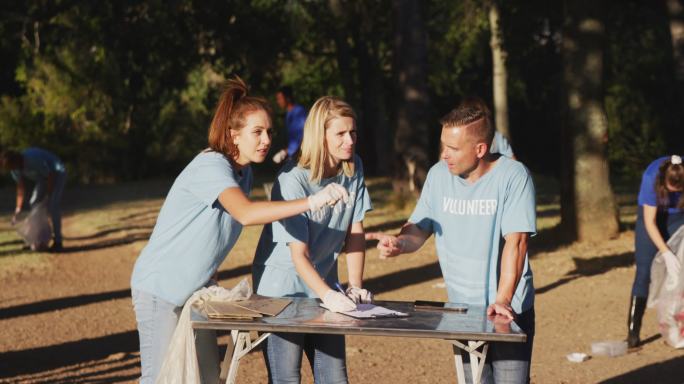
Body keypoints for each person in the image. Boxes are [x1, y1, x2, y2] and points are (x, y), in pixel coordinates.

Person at [129, 77, 349, 384]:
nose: (266, 140)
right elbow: (245, 213)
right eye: (256, 132)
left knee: (206, 377)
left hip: (195, 292)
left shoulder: (243, 173)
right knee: (161, 378)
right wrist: (311, 201)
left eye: (269, 132)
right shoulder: (212, 166)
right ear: (234, 135)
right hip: (160, 289)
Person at [367, 101, 536, 383]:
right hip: (461, 310)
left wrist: (503, 300)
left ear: (480, 149)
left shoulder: (514, 177)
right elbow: (419, 229)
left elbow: (516, 244)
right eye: (443, 145)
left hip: (508, 309)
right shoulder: (437, 175)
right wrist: (399, 244)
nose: (444, 154)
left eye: (453, 149)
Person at [253, 96, 373, 384]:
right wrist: (329, 296)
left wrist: (354, 286)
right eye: (341, 134)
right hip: (282, 291)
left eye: (353, 132)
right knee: (286, 377)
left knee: (334, 376)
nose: (350, 140)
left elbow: (355, 231)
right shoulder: (292, 179)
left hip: (325, 282)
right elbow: (299, 255)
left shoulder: (352, 167)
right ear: (320, 136)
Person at [627, 154, 684, 348]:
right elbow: (650, 223)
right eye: (672, 189)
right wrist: (666, 252)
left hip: (679, 218)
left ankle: (678, 326)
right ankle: (633, 333)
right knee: (643, 273)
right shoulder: (652, 176)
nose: (676, 193)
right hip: (650, 219)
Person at [1, 147, 67, 252]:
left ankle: (58, 241)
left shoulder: (32, 159)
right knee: (34, 202)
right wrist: (18, 208)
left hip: (57, 172)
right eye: (10, 168)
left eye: (12, 166)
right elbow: (20, 188)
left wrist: (48, 197)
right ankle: (35, 239)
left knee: (53, 205)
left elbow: (50, 175)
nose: (13, 169)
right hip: (43, 178)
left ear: (17, 160)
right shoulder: (14, 169)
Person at [272, 85, 307, 164]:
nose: (278, 102)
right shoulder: (289, 113)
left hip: (301, 155)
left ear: (288, 98)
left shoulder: (298, 112)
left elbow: (302, 136)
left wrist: (286, 152)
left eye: (280, 98)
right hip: (294, 155)